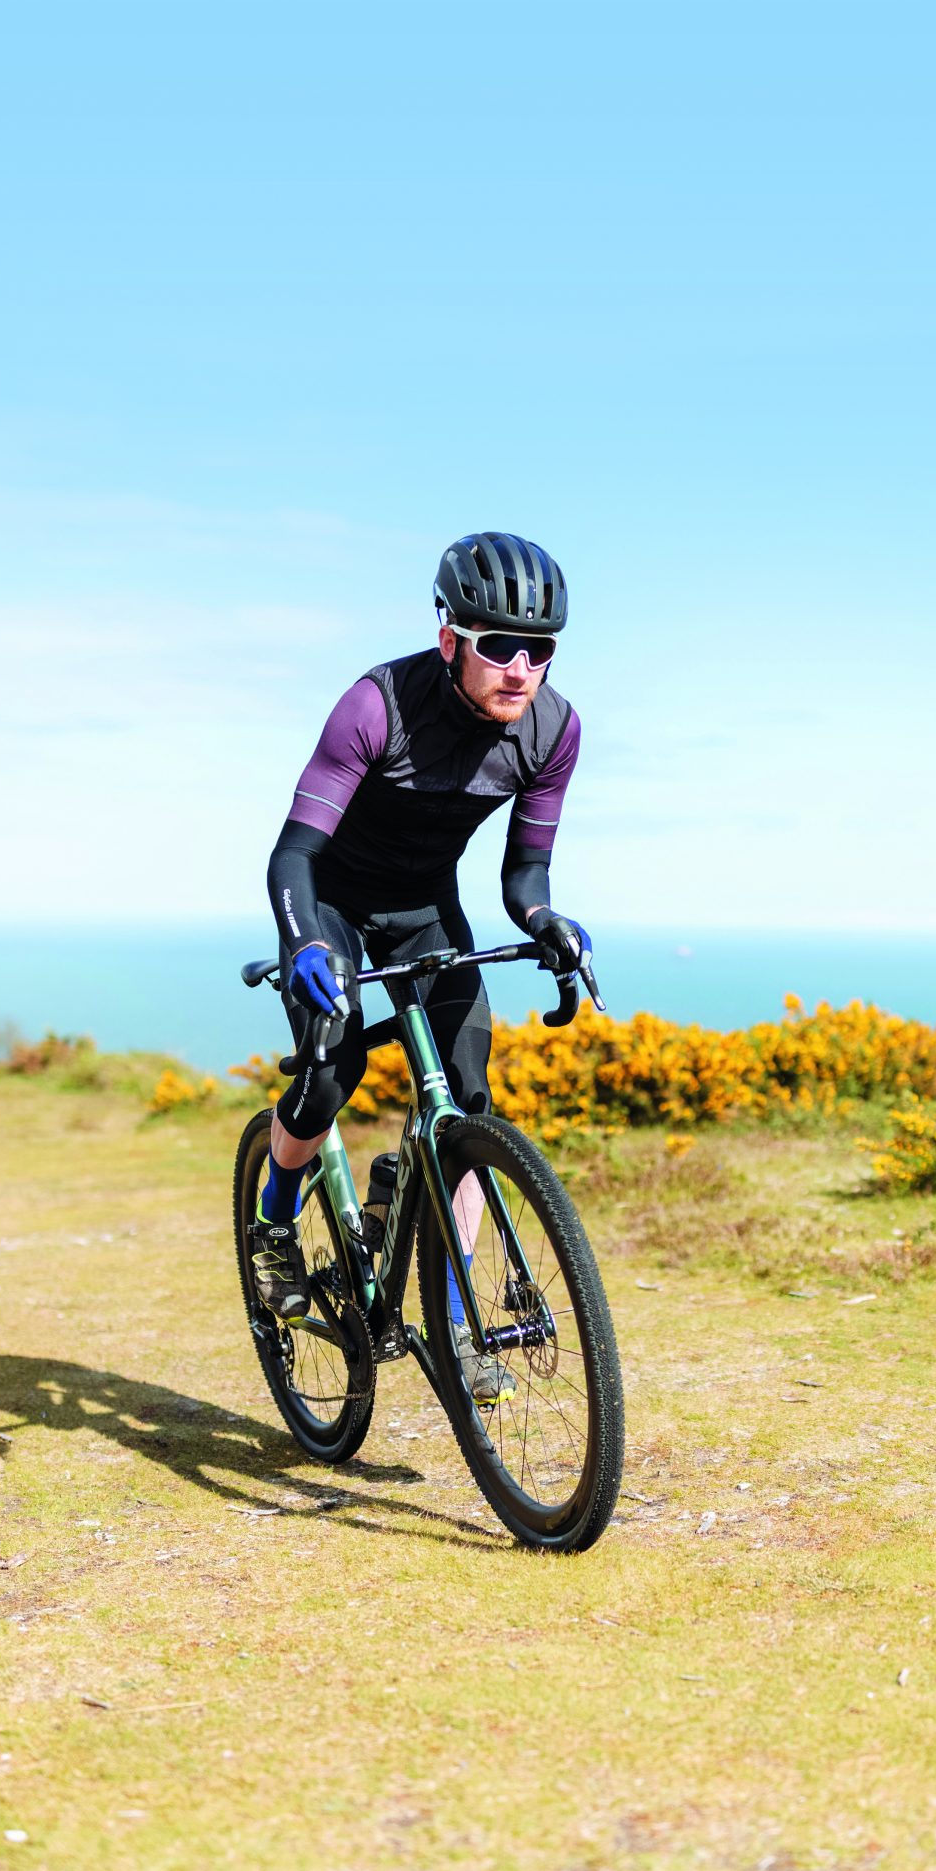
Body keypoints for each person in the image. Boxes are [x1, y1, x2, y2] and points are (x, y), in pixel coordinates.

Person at [251, 531, 590, 1406]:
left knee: (467, 1106)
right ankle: (274, 1232)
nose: (520, 668)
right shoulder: (375, 707)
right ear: (450, 641)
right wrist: (305, 945)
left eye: (539, 650)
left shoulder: (553, 731)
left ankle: (450, 1322)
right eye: (497, 647)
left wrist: (545, 918)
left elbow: (523, 876)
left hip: (425, 908)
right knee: (331, 1073)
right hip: (330, 900)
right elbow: (291, 855)